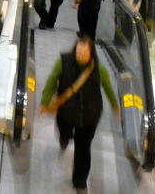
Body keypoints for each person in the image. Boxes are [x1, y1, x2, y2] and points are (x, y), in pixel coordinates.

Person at [39, 36, 119, 192]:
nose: (81, 55)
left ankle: (80, 181)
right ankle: (64, 137)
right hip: (66, 112)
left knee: (83, 149)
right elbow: (51, 81)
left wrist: (116, 107)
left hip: (89, 116)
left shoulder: (99, 69)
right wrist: (44, 100)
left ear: (92, 53)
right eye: (78, 52)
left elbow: (108, 88)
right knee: (65, 132)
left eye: (84, 53)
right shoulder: (63, 62)